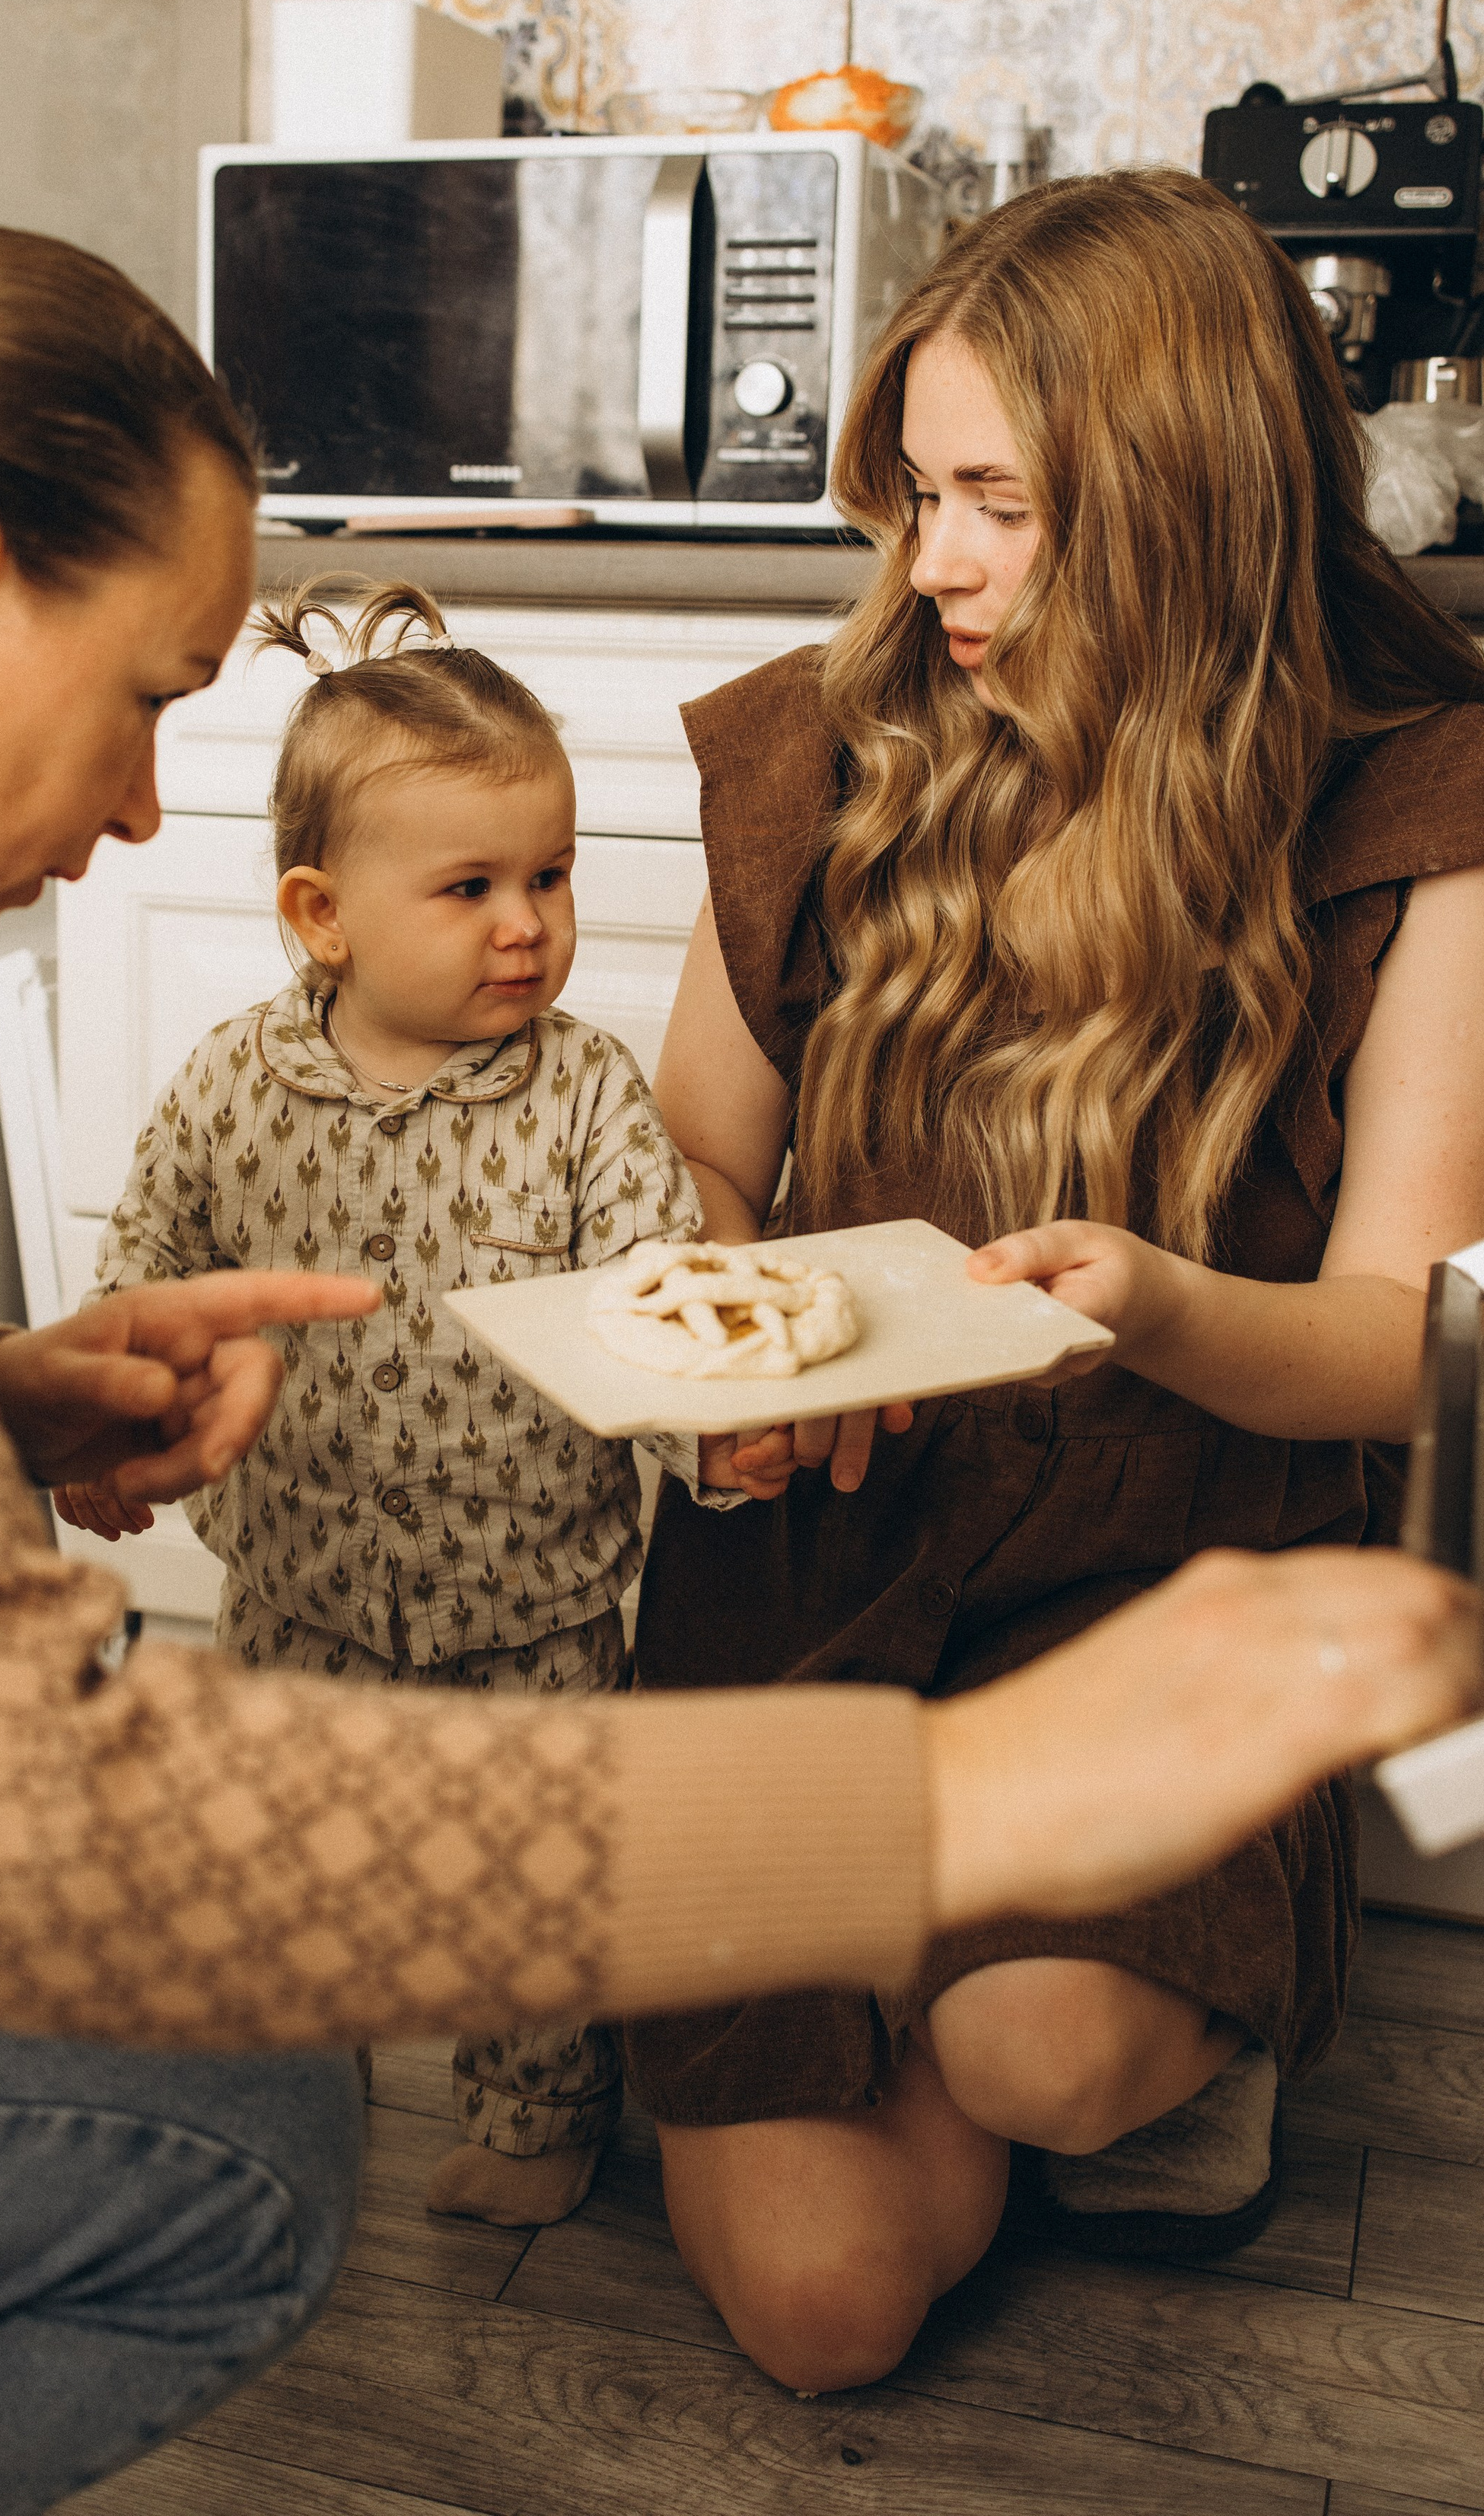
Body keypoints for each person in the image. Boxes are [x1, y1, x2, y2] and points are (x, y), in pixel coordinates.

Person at [0, 225, 1476, 2515]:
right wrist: (959, 1813)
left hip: (1126, 1526)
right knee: (247, 2120)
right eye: (162, 692)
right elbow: (30, 1827)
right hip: (844, 1580)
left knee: (1009, 2047)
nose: (163, 811)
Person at [626, 164, 1484, 2396]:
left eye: (999, 501)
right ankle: (959, 1939)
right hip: (817, 1554)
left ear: (1187, 500)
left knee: (1043, 2053)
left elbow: (1406, 1350)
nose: (937, 565)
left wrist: (1158, 1305)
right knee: (825, 2316)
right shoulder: (825, 747)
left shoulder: (1420, 808)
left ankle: (1080, 1995)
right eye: (915, 494)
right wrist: (739, 1337)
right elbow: (699, 1152)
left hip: (1156, 1570)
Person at [55, 578, 746, 2232]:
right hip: (300, 1585)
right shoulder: (231, 1085)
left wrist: (722, 1432)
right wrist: (99, 1408)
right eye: (471, 887)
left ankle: (537, 2109)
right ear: (322, 914)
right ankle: (292, 2090)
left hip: (537, 1599)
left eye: (551, 877)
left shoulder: (581, 1097)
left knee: (531, 1871)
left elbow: (657, 1293)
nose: (527, 924)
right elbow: (143, 1268)